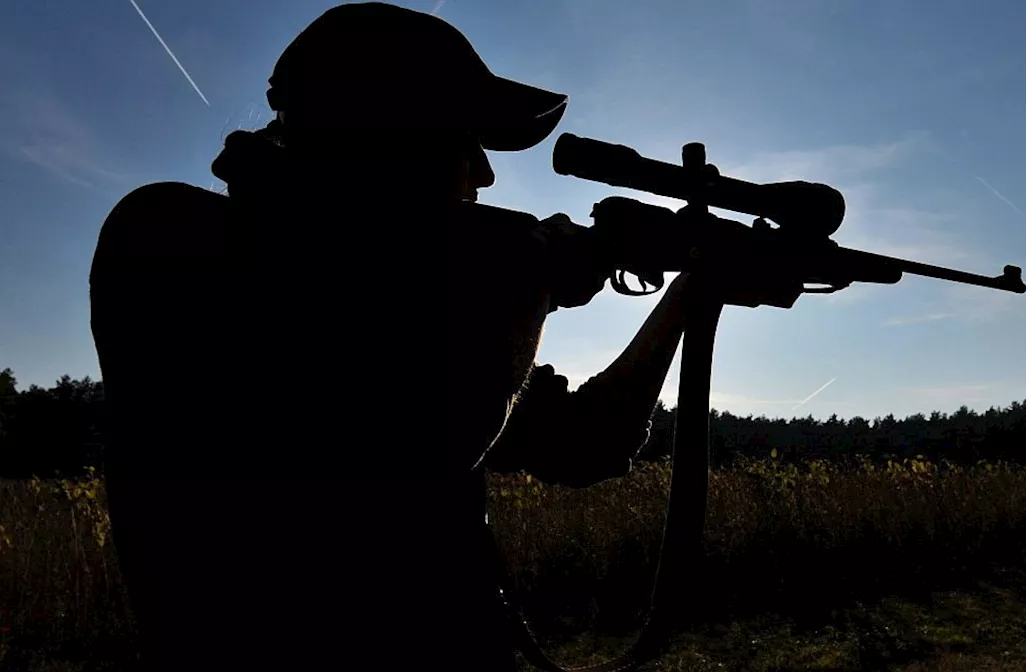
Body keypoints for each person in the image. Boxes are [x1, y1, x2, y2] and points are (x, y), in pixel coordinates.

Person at [89, 3, 705, 669]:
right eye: (465, 140)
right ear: (389, 135)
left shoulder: (424, 306)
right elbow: (421, 437)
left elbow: (588, 442)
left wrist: (687, 296)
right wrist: (534, 275)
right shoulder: (168, 236)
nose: (485, 172)